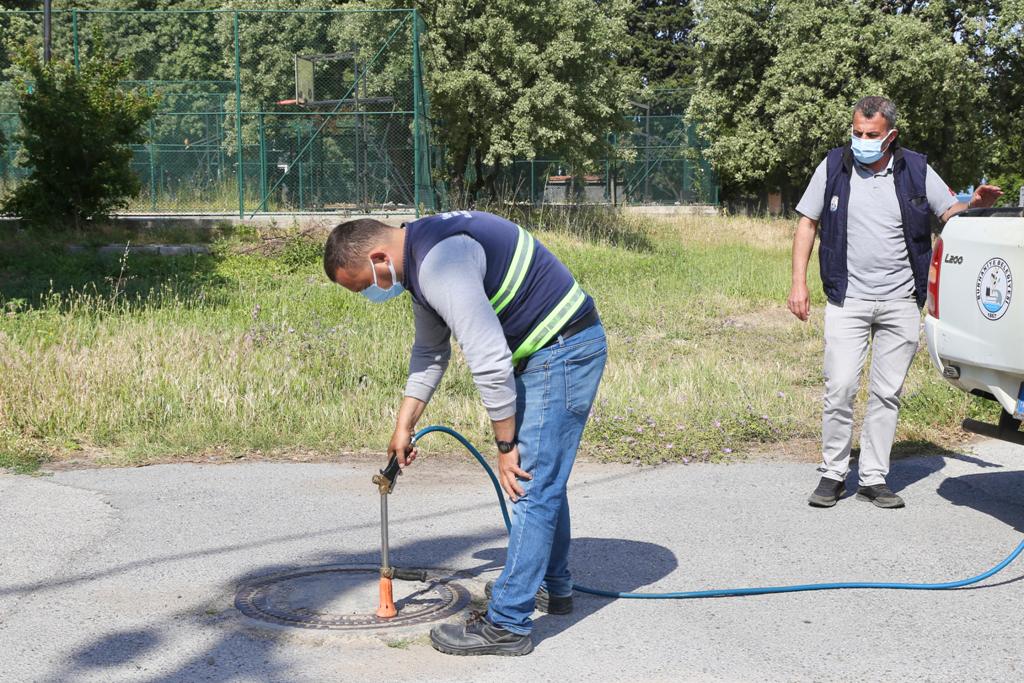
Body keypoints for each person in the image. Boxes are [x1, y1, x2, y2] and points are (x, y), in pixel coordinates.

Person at [323, 209, 607, 655]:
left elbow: (489, 359)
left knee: (528, 482)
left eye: (365, 285)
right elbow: (430, 353)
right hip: (547, 350)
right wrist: (404, 425)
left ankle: (508, 625)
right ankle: (552, 585)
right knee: (542, 478)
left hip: (564, 348)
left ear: (379, 258)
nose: (372, 294)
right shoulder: (418, 261)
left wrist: (505, 446)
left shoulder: (439, 262)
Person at [788, 96, 1002, 509]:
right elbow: (807, 222)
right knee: (841, 387)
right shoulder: (833, 166)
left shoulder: (915, 168)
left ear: (891, 135)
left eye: (871, 135)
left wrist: (974, 206)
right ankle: (833, 472)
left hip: (901, 299)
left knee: (887, 393)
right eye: (857, 133)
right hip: (846, 297)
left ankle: (872, 477)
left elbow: (949, 216)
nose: (862, 141)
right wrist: (798, 283)